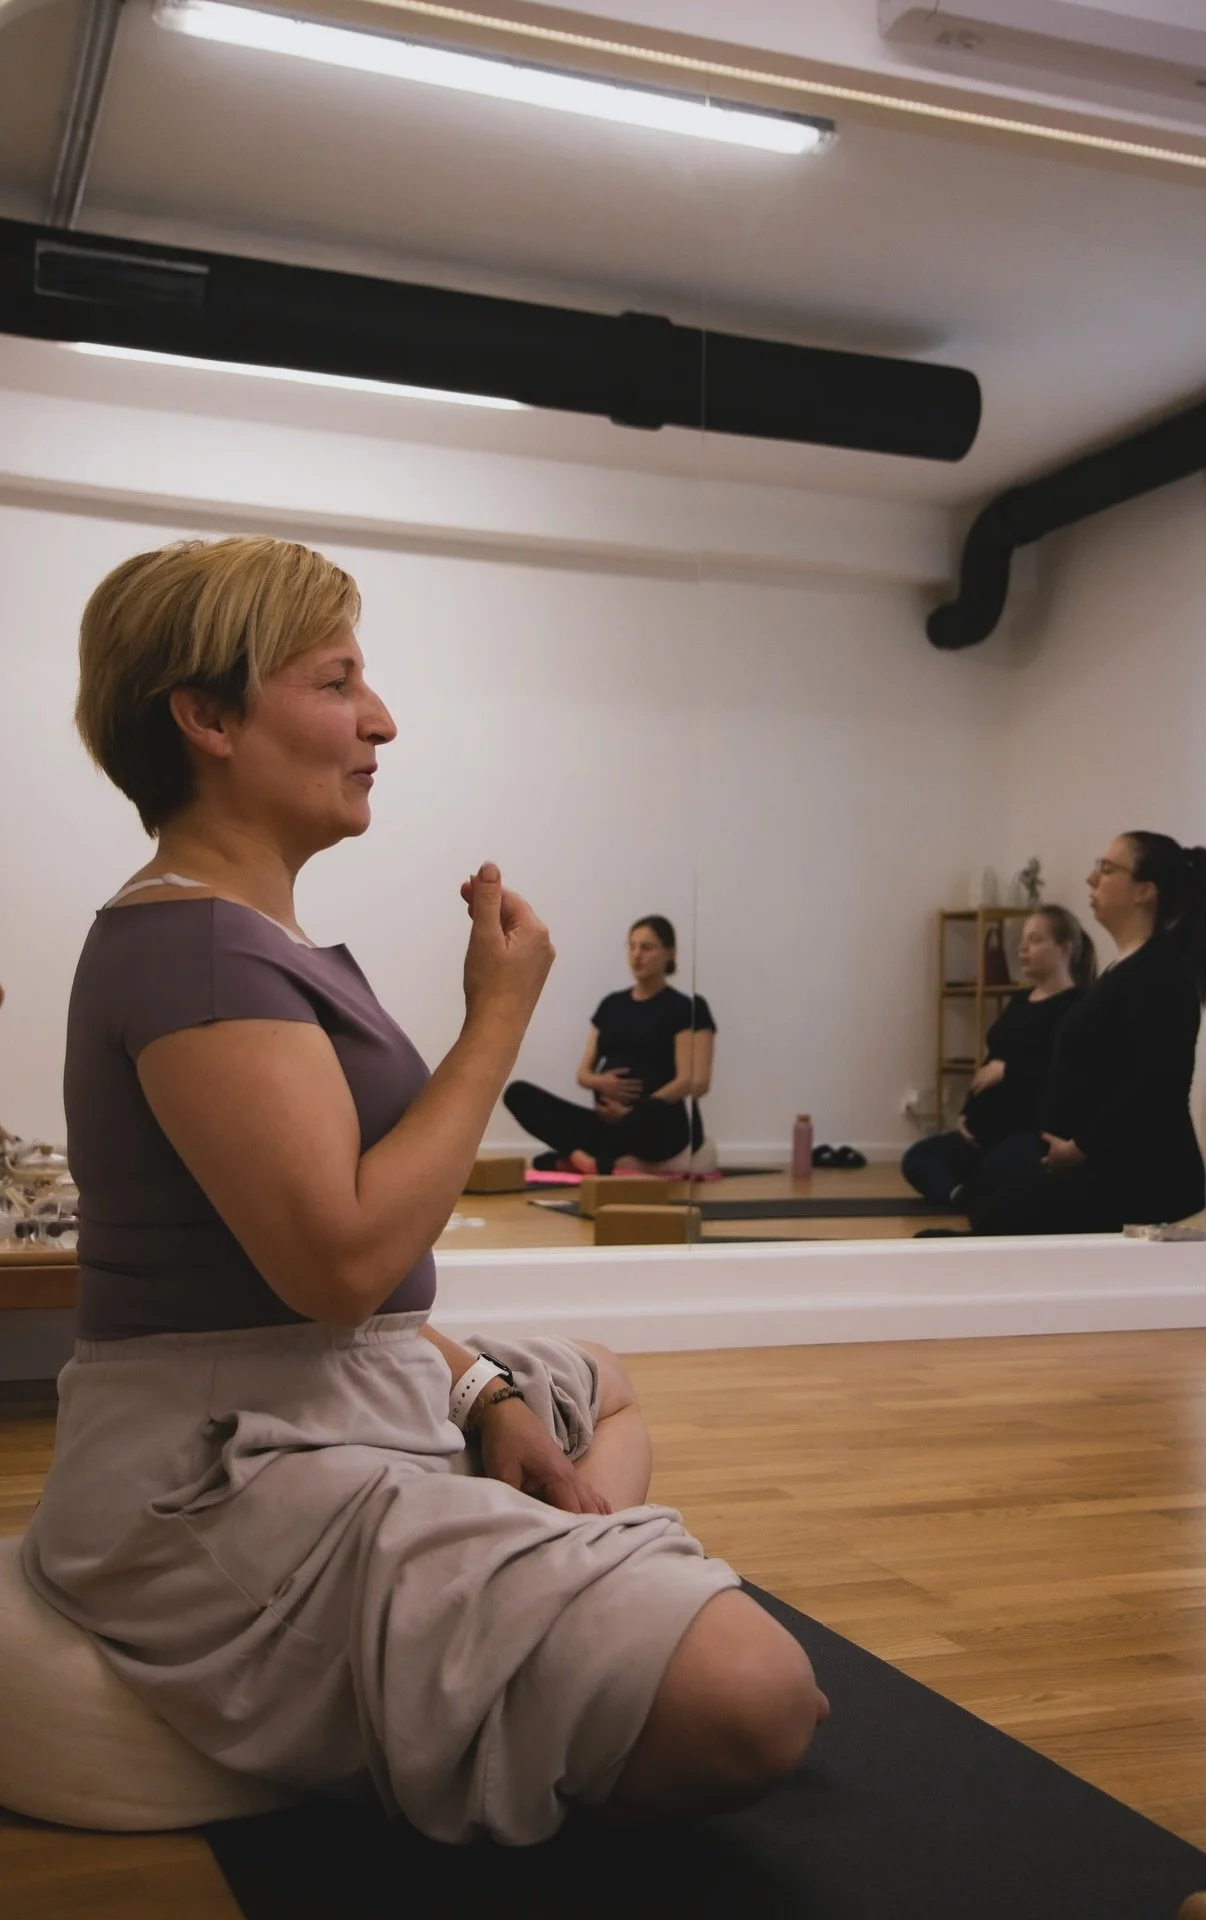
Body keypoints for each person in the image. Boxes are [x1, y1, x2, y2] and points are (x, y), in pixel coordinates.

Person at [21, 536, 824, 1848]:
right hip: (221, 1464)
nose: (381, 719)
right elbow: (337, 1268)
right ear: (208, 717)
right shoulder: (194, 950)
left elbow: (355, 1296)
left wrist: (483, 1393)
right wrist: (496, 1023)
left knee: (594, 1378)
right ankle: (557, 1597)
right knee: (758, 1701)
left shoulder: (242, 939)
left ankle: (552, 1575)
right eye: (337, 682)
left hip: (333, 1380)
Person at [968, 832, 1206, 1237]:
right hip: (1097, 1159)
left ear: (1144, 891)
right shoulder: (1124, 969)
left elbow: (1155, 1086)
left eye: (1106, 869)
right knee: (987, 1196)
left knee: (996, 1212)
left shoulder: (1163, 974)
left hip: (1142, 1174)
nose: (1090, 878)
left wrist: (1082, 1147)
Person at [902, 906, 1093, 1208]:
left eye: (1035, 939)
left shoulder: (1078, 1007)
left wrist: (1009, 1071)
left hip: (1030, 1134)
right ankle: (965, 1196)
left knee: (1000, 1168)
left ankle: (982, 1191)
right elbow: (991, 1061)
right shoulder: (1018, 1001)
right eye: (1022, 940)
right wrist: (967, 1111)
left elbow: (1066, 1073)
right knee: (918, 1159)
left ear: (1065, 949)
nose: (1023, 947)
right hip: (984, 1135)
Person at [503, 916, 715, 1176]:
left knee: (650, 1119)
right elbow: (583, 1074)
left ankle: (588, 1158)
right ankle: (587, 1158)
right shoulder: (611, 1005)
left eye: (647, 948)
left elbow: (692, 1081)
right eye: (632, 946)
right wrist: (600, 1084)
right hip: (610, 1123)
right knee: (518, 1094)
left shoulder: (687, 1008)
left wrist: (635, 1111)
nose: (637, 955)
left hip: (656, 1124)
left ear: (669, 953)